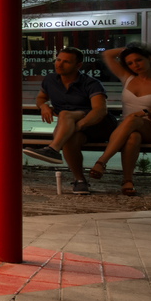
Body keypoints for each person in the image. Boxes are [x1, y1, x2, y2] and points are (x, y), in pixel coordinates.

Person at [89, 43, 151, 196]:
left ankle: (101, 162)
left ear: (150, 58)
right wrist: (129, 50)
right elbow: (108, 54)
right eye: (130, 63)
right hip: (126, 129)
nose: (135, 65)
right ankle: (127, 181)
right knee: (133, 136)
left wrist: (144, 112)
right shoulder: (128, 78)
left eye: (139, 60)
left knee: (132, 119)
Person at [23, 46, 114, 194]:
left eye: (66, 62)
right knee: (69, 139)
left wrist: (79, 125)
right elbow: (41, 97)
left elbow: (100, 111)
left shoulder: (91, 83)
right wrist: (43, 106)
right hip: (70, 126)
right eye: (58, 60)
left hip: (97, 124)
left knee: (65, 114)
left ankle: (53, 149)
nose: (59, 64)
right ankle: (80, 181)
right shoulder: (51, 79)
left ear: (78, 65)